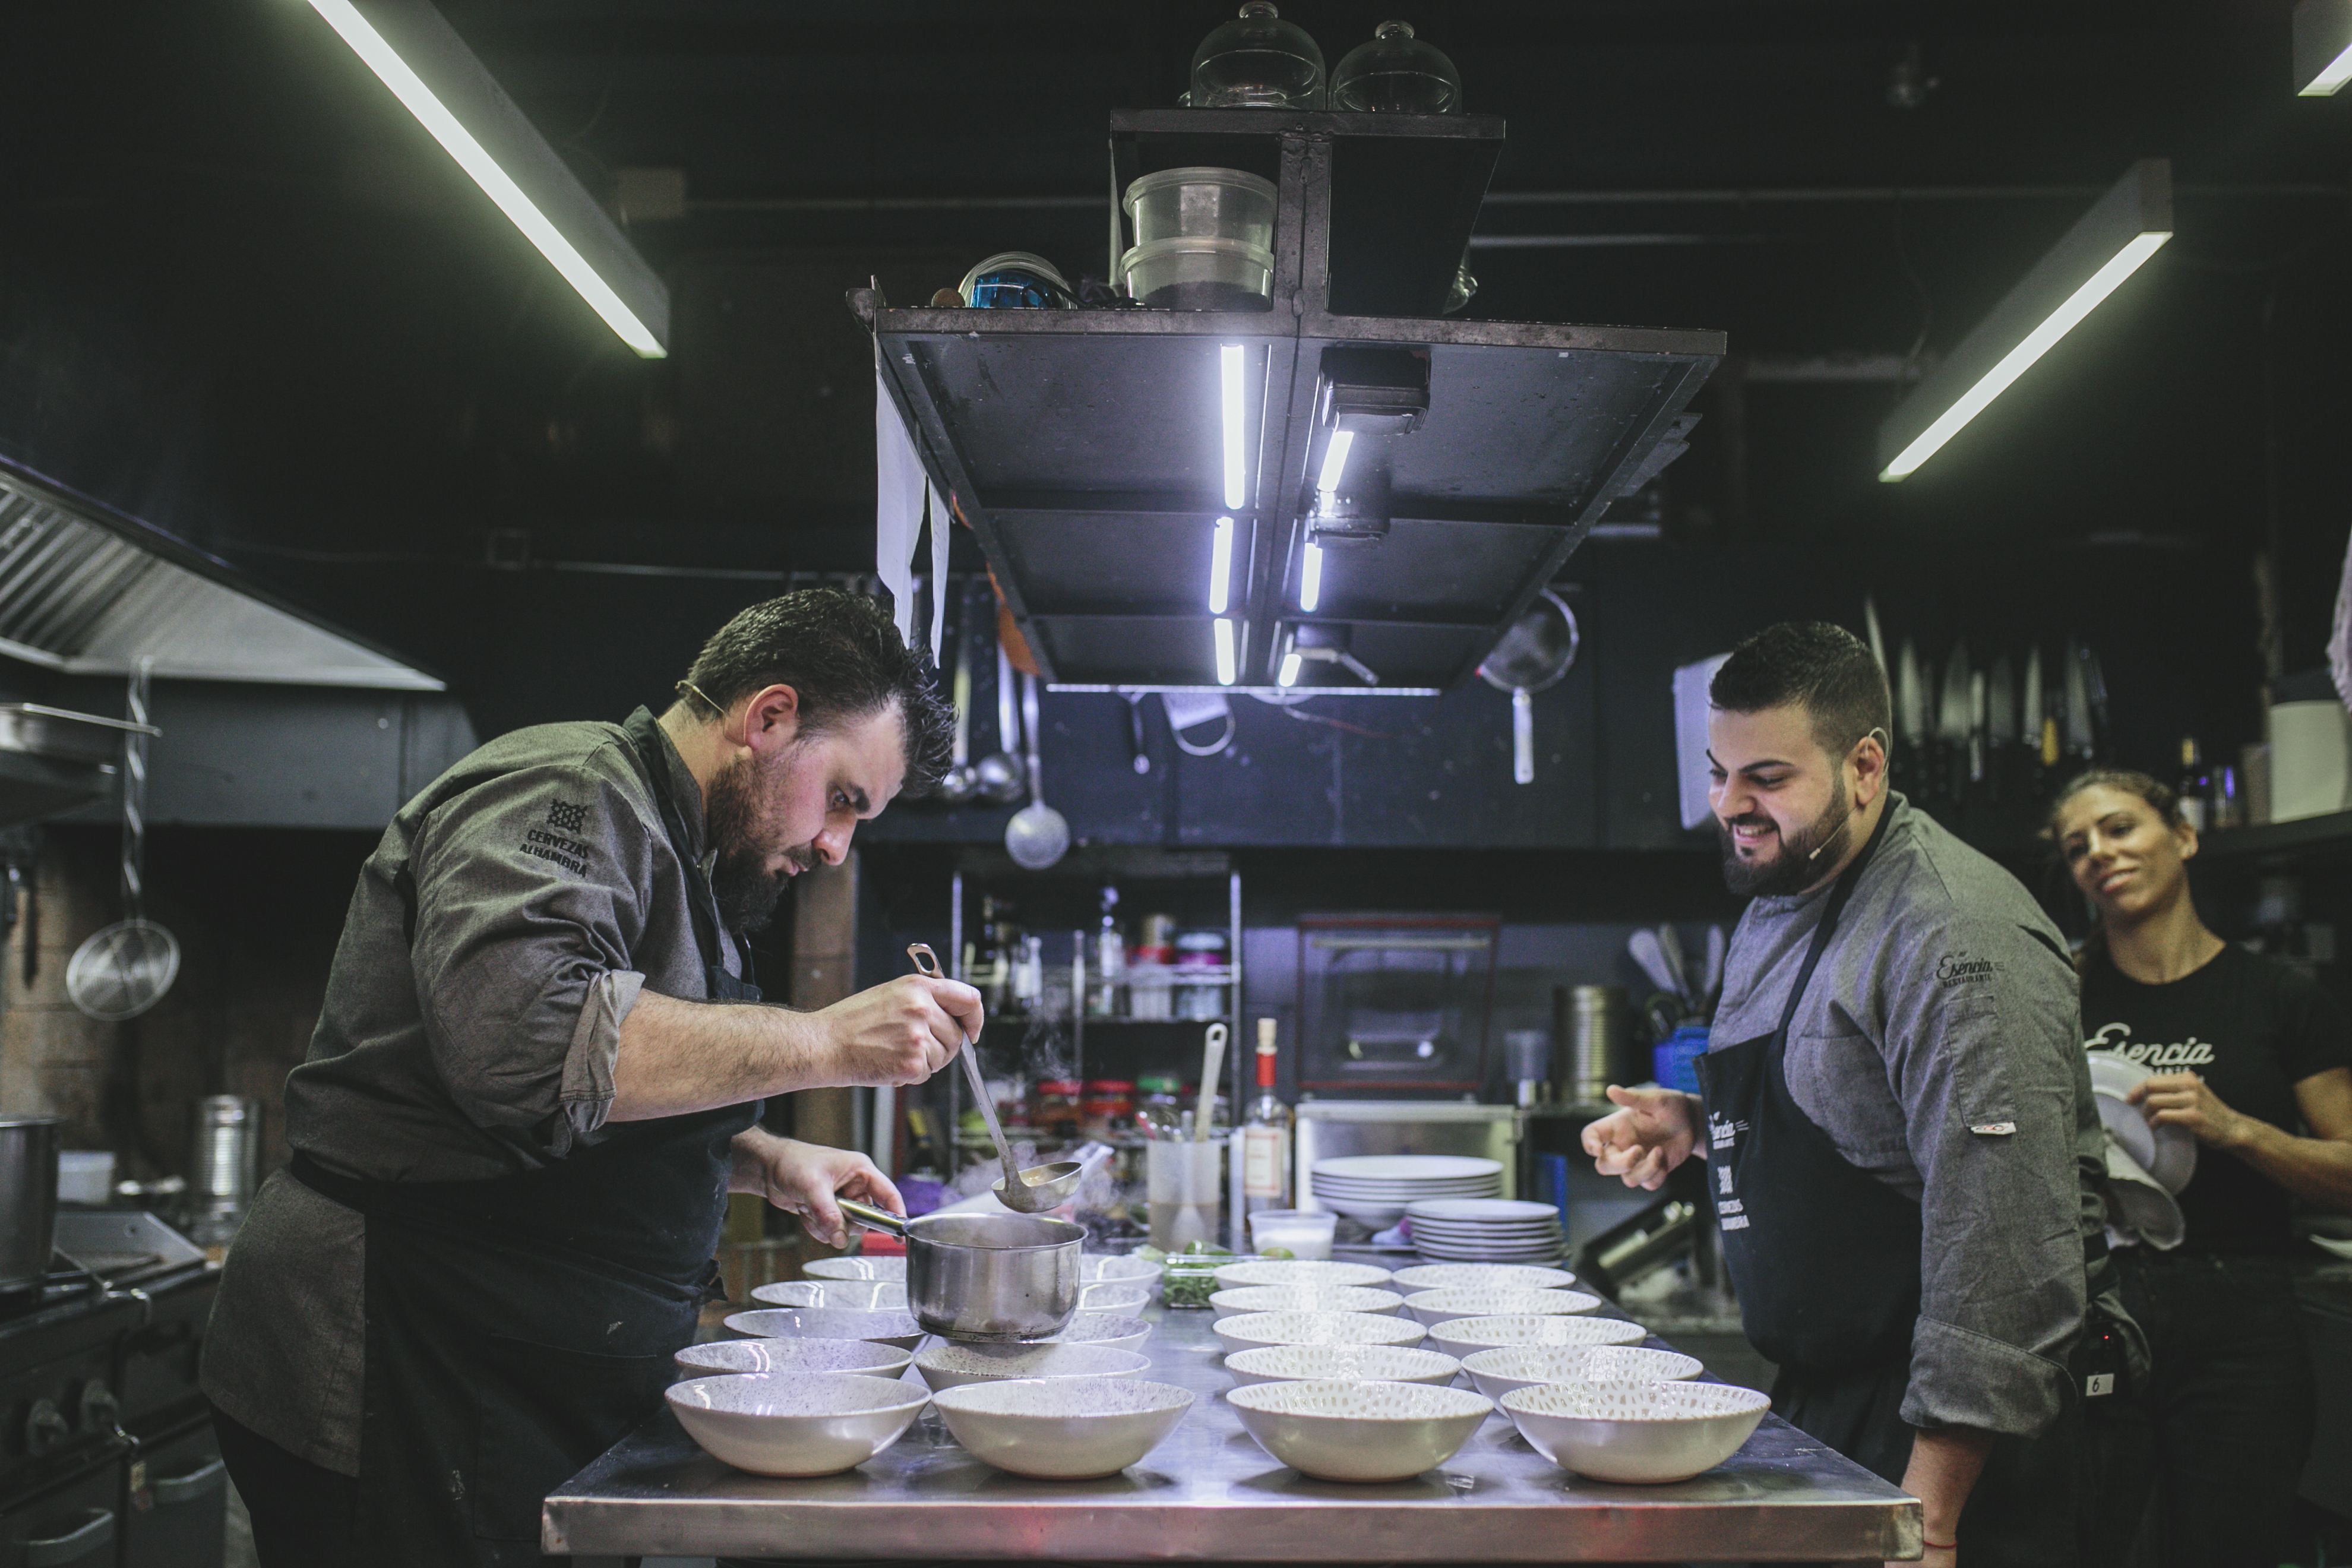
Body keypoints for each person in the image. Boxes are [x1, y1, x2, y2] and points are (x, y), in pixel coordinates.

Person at [202, 589, 970, 1566]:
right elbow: (521, 1041)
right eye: (844, 799)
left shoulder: (688, 853)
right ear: (769, 717)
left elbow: (591, 1094)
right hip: (399, 1353)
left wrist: (765, 1160)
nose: (834, 845)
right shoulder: (564, 791)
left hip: (504, 1365)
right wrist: (828, 1041)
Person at [1583, 622, 2133, 1568]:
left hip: (1956, 1445)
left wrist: (1930, 1521)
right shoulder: (1787, 891)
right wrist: (1705, 1129)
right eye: (1718, 772)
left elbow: (2005, 1251)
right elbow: (1861, 1126)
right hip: (1832, 1404)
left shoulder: (1957, 941)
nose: (1729, 805)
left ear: (1865, 766)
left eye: (1766, 778)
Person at [2052, 769, 2352, 1568]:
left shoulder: (2276, 996)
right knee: (2082, 1546)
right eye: (2077, 846)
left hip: (2244, 1323)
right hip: (2098, 1308)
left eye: (2119, 828)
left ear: (2183, 837)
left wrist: (2237, 1129)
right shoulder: (2057, 997)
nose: (2098, 854)